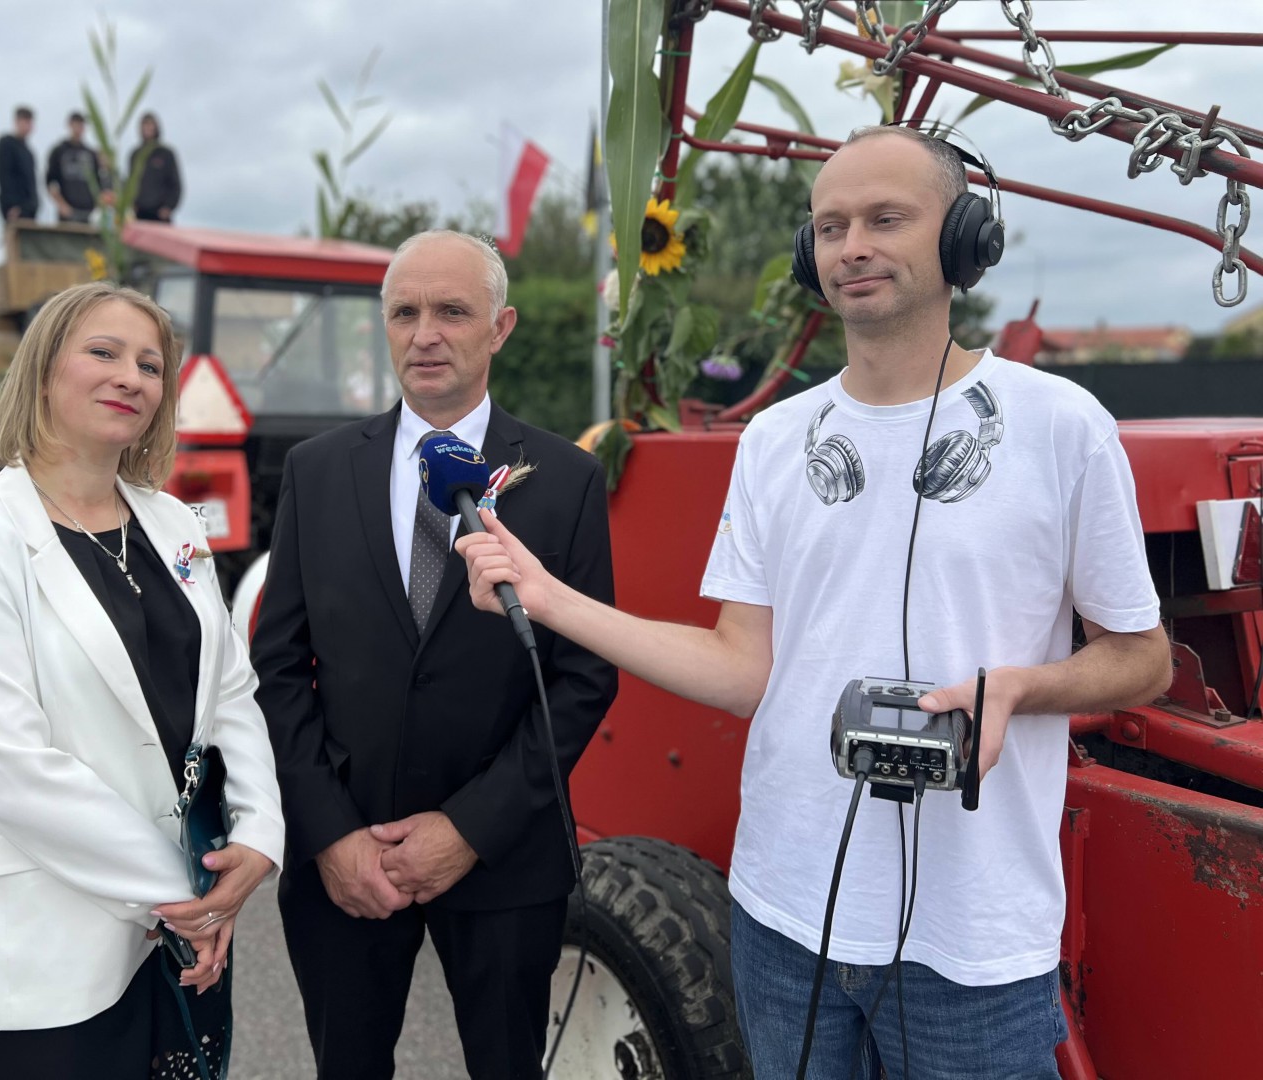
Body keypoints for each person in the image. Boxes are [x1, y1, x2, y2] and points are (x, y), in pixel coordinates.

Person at [459, 127, 1172, 1080]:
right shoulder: (776, 441)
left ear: (964, 240)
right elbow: (741, 668)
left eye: (887, 219)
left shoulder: (1062, 426)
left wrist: (1020, 687)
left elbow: (1143, 657)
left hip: (972, 940)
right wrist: (547, 597)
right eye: (830, 227)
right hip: (784, 918)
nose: (853, 246)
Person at [250, 229, 618, 1079]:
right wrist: (330, 834)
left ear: (501, 326)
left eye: (452, 311)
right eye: (404, 312)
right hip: (347, 858)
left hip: (501, 859)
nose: (425, 333)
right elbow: (276, 666)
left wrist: (468, 829)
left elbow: (582, 675)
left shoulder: (563, 480)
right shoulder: (316, 470)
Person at [0, 280, 286, 1079]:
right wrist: (181, 896)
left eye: (150, 365)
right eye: (103, 353)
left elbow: (229, 690)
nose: (131, 377)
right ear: (44, 372)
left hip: (179, 929)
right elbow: (12, 769)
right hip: (49, 944)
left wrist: (258, 834)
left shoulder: (176, 523)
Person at [46, 112, 108, 224]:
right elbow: (50, 183)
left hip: (90, 213)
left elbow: (101, 183)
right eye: (76, 125)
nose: (78, 129)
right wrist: (61, 205)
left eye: (81, 125)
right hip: (68, 213)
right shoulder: (59, 151)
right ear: (69, 125)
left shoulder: (91, 154)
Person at [129, 112, 183, 223]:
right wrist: (131, 204)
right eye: (144, 125)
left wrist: (169, 207)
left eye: (150, 125)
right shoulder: (135, 154)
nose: (147, 128)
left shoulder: (166, 154)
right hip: (139, 214)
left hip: (160, 215)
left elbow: (175, 184)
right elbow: (130, 183)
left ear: (156, 127)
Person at [0, 105, 38, 223]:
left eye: (30, 122)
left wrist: (34, 204)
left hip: (30, 209)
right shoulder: (6, 144)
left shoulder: (28, 152)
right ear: (17, 122)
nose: (28, 126)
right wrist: (11, 205)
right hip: (14, 209)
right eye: (25, 121)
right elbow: (4, 175)